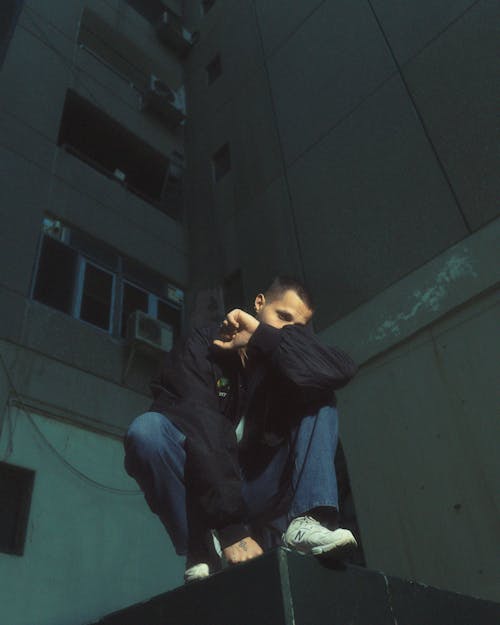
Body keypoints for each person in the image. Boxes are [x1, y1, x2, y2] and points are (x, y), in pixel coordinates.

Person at [124, 276, 358, 583]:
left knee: (320, 392)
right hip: (209, 484)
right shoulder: (205, 346)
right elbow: (202, 427)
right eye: (282, 317)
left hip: (262, 488)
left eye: (296, 328)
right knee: (146, 432)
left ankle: (308, 520)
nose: (286, 330)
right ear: (259, 304)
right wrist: (231, 530)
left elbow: (342, 368)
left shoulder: (283, 355)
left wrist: (264, 336)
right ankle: (201, 545)